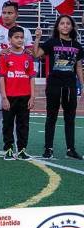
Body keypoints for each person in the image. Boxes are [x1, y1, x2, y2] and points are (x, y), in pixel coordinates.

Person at [0, 1, 32, 159]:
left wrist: (23, 50)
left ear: (16, 14)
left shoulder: (25, 32)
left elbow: (31, 55)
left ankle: (19, 149)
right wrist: (0, 54)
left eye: (10, 13)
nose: (6, 16)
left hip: (19, 82)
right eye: (4, 13)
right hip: (0, 80)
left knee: (18, 117)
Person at [34, 16, 84, 159]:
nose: (65, 26)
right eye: (62, 23)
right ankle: (48, 148)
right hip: (54, 85)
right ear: (57, 27)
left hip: (70, 86)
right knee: (51, 117)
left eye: (68, 23)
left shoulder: (77, 45)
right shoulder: (51, 42)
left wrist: (82, 84)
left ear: (72, 27)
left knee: (70, 118)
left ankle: (71, 149)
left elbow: (79, 67)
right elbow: (36, 54)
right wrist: (37, 38)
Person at [0, 26, 35, 160]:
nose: (20, 40)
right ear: (9, 39)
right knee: (7, 124)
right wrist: (4, 97)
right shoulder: (4, 56)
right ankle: (8, 149)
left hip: (25, 96)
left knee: (23, 124)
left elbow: (31, 77)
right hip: (10, 96)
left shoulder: (28, 56)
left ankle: (22, 150)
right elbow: (1, 77)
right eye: (16, 37)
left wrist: (32, 96)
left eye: (21, 37)